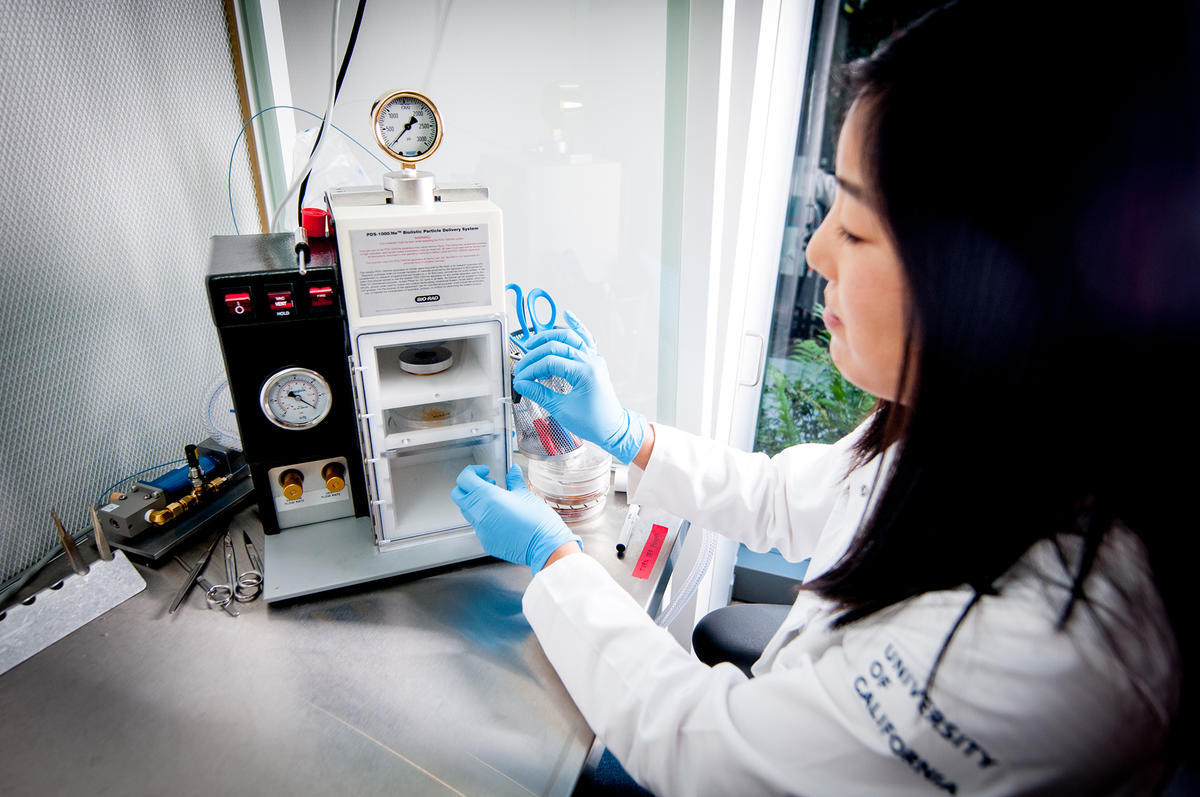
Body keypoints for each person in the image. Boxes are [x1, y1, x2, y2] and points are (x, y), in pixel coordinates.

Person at [451, 2, 1200, 794]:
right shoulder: (962, 431)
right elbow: (785, 496)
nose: (814, 251)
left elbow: (711, 759)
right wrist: (629, 435)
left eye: (856, 226)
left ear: (986, 282)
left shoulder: (1044, 650)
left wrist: (556, 561)